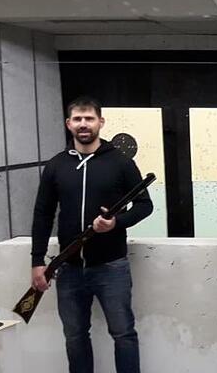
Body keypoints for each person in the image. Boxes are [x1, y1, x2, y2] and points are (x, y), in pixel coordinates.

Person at [31, 96, 153, 373]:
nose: (83, 124)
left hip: (112, 267)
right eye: (77, 119)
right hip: (68, 268)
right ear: (68, 123)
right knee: (74, 338)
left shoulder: (120, 162)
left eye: (89, 118)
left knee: (123, 335)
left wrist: (116, 223)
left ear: (100, 122)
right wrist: (38, 261)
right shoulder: (56, 165)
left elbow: (145, 205)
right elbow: (42, 214)